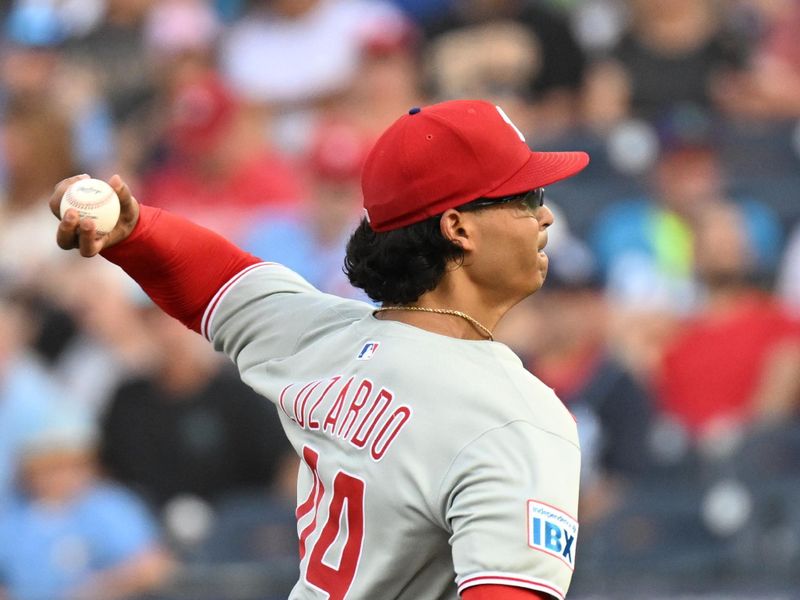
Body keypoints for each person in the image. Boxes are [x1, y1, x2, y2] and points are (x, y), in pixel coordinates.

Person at [50, 100, 588, 600]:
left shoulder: (321, 336)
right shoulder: (518, 420)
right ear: (458, 227)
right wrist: (136, 231)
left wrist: (134, 232)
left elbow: (218, 280)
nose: (544, 217)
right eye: (526, 199)